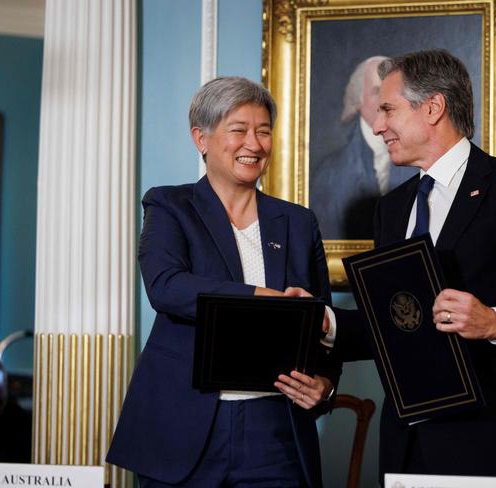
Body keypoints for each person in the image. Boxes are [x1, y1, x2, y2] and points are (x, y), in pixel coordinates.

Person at [323, 50, 496, 485]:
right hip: (406, 448)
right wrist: (325, 323)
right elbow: (397, 323)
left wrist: (495, 322)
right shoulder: (390, 211)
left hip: (491, 445)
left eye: (388, 110)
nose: (377, 127)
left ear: (432, 107)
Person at [106, 77, 339, 488]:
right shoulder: (168, 205)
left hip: (275, 432)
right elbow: (166, 286)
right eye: (239, 130)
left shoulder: (299, 222)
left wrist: (326, 385)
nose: (254, 143)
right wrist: (264, 298)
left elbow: (322, 320)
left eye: (264, 131)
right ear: (202, 138)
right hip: (184, 427)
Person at [310, 56, 415, 239]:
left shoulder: (420, 164)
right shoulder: (329, 174)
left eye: (393, 93)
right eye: (377, 91)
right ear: (358, 99)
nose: (385, 102)